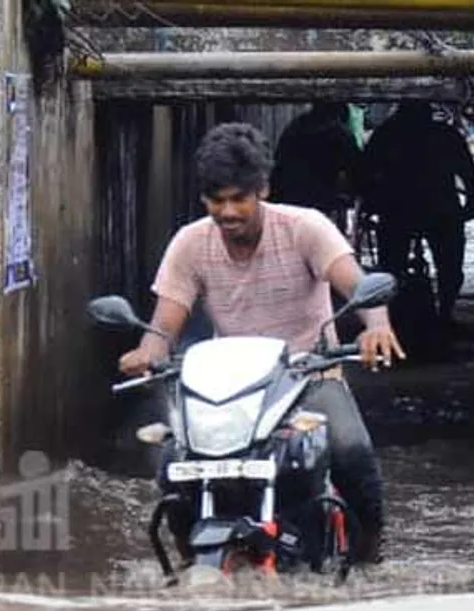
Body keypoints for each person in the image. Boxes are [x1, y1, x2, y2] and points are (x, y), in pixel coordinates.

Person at [117, 122, 405, 565]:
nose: (228, 211)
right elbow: (164, 326)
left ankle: (370, 557)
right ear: (203, 200)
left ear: (263, 190)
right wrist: (147, 354)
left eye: (239, 199)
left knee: (352, 450)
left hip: (309, 376)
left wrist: (377, 325)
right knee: (173, 467)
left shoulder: (305, 228)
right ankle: (190, 562)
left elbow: (358, 286)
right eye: (217, 201)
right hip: (227, 390)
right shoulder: (190, 244)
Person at [359, 101, 474, 327]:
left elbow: (365, 174)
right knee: (450, 267)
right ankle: (446, 311)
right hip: (439, 210)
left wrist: (369, 206)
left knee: (390, 266)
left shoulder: (386, 134)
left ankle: (389, 316)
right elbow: (470, 177)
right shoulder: (446, 135)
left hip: (398, 210)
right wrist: (471, 205)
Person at [272, 101, 361, 235]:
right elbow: (356, 170)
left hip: (289, 197)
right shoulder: (339, 133)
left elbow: (278, 163)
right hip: (320, 199)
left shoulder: (294, 127)